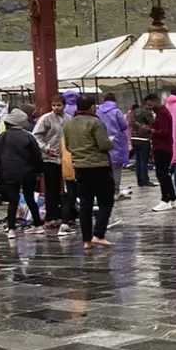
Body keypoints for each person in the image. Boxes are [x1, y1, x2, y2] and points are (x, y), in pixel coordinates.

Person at [62, 95, 114, 249]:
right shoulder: (95, 122)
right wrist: (111, 142)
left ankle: (86, 241)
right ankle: (98, 234)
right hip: (98, 167)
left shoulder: (68, 124)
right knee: (106, 202)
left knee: (85, 204)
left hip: (79, 168)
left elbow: (69, 147)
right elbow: (103, 145)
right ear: (91, 107)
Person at [0, 109, 45, 235]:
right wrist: (39, 171)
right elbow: (36, 156)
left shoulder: (2, 137)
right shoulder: (28, 136)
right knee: (30, 199)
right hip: (28, 172)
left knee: (13, 201)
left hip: (9, 173)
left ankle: (11, 229)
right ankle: (38, 225)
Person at [33, 96, 66, 226]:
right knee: (51, 188)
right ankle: (50, 217)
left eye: (59, 105)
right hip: (49, 158)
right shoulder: (46, 119)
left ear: (64, 105)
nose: (56, 108)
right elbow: (36, 135)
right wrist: (45, 148)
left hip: (64, 158)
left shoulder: (68, 119)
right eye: (54, 105)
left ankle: (64, 214)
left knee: (64, 188)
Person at [97, 93, 132, 200]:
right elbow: (124, 125)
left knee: (105, 169)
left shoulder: (98, 111)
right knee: (116, 168)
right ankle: (115, 191)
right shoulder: (116, 111)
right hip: (116, 142)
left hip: (101, 141)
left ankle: (105, 191)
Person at [148, 94, 176, 211]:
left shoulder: (163, 113)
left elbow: (164, 132)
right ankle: (173, 199)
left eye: (150, 104)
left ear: (155, 101)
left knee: (162, 174)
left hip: (163, 148)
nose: (149, 107)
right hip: (161, 147)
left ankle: (165, 199)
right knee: (164, 174)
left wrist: (151, 130)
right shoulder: (161, 113)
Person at [129, 97, 155, 188]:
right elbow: (152, 123)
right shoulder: (147, 111)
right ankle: (145, 180)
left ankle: (139, 180)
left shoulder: (135, 111)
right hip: (143, 138)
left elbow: (131, 122)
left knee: (138, 160)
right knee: (144, 160)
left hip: (134, 138)